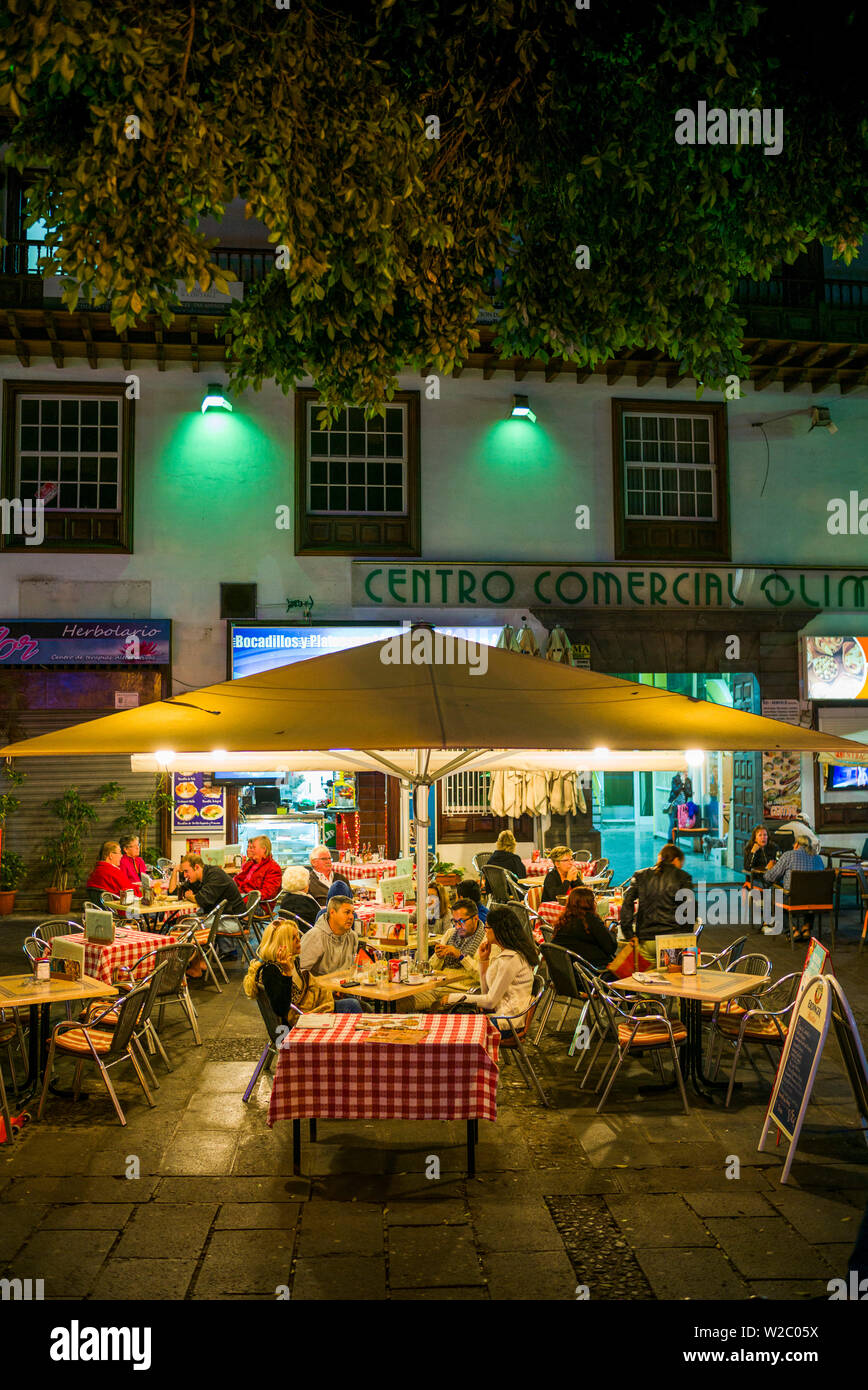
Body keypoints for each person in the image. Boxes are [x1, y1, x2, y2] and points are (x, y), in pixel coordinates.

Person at [242, 919, 362, 1020]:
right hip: (298, 1020)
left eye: (297, 936)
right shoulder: (271, 970)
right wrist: (287, 974)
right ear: (283, 943)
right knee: (352, 1005)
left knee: (357, 1004)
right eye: (294, 938)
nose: (299, 940)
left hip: (308, 1009)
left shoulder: (294, 960)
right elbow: (281, 1010)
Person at [444, 905, 538, 1027]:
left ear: (498, 930)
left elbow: (490, 1002)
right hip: (500, 1016)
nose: (485, 930)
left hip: (508, 1021)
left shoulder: (511, 959)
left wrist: (453, 998)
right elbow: (486, 993)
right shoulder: (507, 955)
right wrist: (484, 960)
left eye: (487, 927)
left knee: (455, 1025)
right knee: (454, 1023)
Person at [619, 843, 695, 943]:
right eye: (681, 863)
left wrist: (628, 934)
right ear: (676, 860)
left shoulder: (640, 875)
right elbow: (689, 910)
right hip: (672, 939)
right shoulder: (683, 877)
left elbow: (627, 902)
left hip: (645, 939)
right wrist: (685, 936)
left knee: (644, 958)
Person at [763, 834, 825, 940]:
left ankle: (791, 929)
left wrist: (768, 869)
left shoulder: (789, 855)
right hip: (815, 900)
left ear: (796, 844)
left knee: (775, 893)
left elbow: (770, 877)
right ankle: (806, 927)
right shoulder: (818, 858)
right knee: (810, 890)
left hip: (793, 899)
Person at [552, 886, 618, 972]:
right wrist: (611, 931)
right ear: (591, 903)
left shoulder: (563, 920)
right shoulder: (590, 920)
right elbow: (611, 948)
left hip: (567, 972)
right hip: (592, 973)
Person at [298, 894, 359, 976]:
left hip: (344, 986)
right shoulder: (315, 937)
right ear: (332, 912)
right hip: (318, 987)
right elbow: (299, 972)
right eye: (347, 912)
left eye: (352, 913)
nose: (351, 917)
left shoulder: (352, 936)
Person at [170, 853, 245, 915]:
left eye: (186, 871)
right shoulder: (196, 878)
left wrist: (188, 895)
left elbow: (202, 900)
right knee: (181, 920)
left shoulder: (215, 874)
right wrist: (175, 871)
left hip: (232, 918)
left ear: (196, 867)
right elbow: (173, 892)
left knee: (185, 924)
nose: (184, 875)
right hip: (216, 915)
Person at [234, 835, 283, 903]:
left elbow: (267, 894)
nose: (249, 850)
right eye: (249, 847)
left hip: (259, 905)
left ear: (263, 849)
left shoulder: (273, 868)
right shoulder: (249, 864)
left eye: (253, 847)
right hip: (243, 898)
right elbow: (237, 881)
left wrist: (244, 894)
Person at [279, 864, 322, 930]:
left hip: (292, 935)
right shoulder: (306, 902)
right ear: (304, 882)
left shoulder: (285, 899)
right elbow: (320, 921)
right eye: (308, 880)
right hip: (311, 936)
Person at [664, 773, 686, 843]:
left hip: (682, 807)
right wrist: (682, 783)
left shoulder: (687, 780)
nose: (686, 773)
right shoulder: (675, 779)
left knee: (679, 824)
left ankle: (675, 840)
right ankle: (670, 840)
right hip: (673, 805)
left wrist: (686, 784)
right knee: (672, 823)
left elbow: (689, 793)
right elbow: (675, 790)